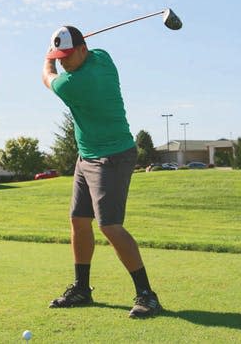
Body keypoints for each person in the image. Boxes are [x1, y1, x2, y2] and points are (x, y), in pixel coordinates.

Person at [41, 25, 162, 319]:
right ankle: (82, 288)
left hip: (113, 156)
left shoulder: (73, 84)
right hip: (86, 157)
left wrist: (48, 58)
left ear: (82, 49)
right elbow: (88, 52)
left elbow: (48, 78)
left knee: (109, 226)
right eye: (61, 55)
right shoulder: (103, 57)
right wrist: (70, 46)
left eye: (67, 56)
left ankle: (147, 295)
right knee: (79, 220)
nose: (64, 61)